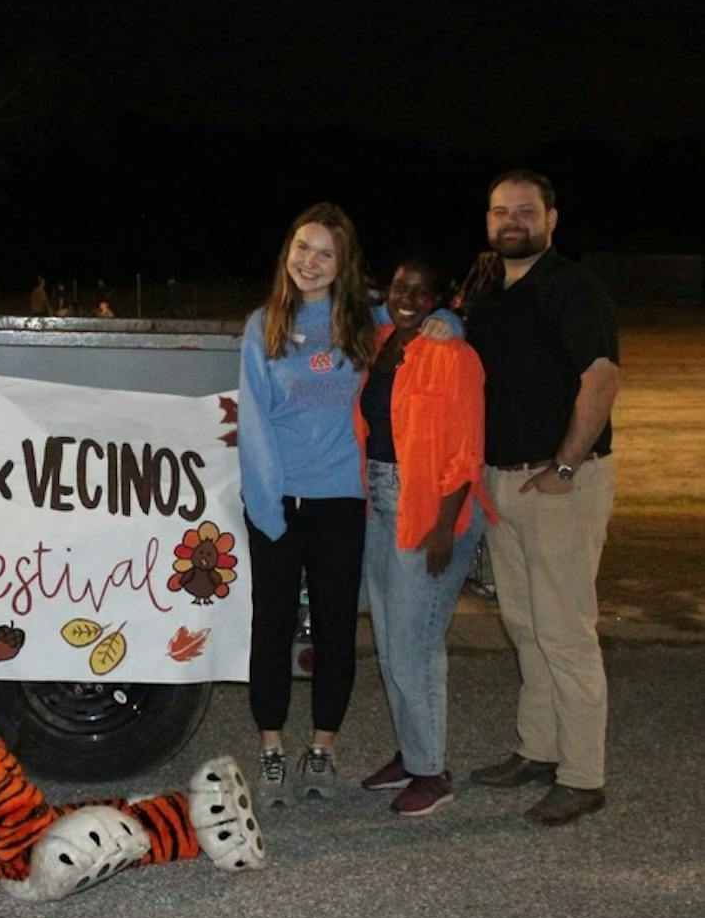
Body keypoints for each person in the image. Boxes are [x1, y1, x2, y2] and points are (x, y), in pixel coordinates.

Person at [237, 203, 458, 806]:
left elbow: (433, 320)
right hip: (277, 503)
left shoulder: (365, 318)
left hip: (343, 503)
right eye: (302, 248)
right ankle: (273, 748)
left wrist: (449, 326)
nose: (310, 261)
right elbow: (254, 424)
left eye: (325, 253)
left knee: (336, 631)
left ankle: (323, 749)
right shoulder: (264, 325)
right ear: (288, 251)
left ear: (342, 263)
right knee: (272, 627)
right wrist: (267, 509)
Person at [461, 170, 619, 826]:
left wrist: (564, 464)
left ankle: (583, 775)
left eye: (526, 210)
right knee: (524, 624)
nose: (512, 220)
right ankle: (539, 746)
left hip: (559, 483)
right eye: (501, 210)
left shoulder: (572, 285)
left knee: (565, 629)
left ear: (552, 217)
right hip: (503, 481)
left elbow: (602, 378)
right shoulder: (490, 291)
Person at [355, 256, 494, 816]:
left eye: (420, 290)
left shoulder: (454, 355)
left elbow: (466, 451)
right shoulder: (382, 341)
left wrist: (445, 526)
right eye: (399, 286)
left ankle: (432, 772)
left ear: (438, 300)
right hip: (382, 505)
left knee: (416, 646)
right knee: (390, 640)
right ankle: (413, 752)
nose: (407, 296)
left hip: (431, 511)